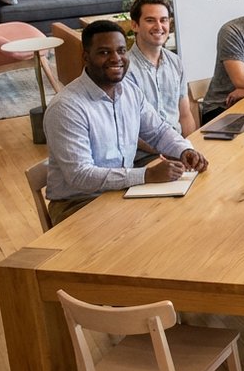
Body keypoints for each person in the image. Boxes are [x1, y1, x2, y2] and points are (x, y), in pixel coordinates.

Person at [43, 21, 207, 225]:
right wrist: (146, 175)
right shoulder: (66, 107)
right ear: (86, 57)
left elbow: (159, 131)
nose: (116, 59)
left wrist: (184, 150)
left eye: (121, 50)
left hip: (121, 191)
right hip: (78, 203)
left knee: (184, 217)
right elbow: (80, 176)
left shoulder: (129, 90)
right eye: (104, 52)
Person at [124, 0, 196, 138]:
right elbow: (129, 132)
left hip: (179, 149)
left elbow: (185, 115)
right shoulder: (125, 69)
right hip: (147, 155)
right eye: (150, 20)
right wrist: (173, 150)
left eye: (163, 20)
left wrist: (190, 148)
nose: (159, 27)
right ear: (134, 25)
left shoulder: (175, 62)